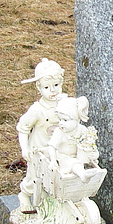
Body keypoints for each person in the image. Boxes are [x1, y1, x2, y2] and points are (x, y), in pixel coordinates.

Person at [15, 58, 66, 212]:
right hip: (39, 150)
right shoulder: (37, 109)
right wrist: (25, 149)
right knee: (35, 177)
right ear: (39, 88)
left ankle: (54, 202)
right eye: (46, 87)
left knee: (58, 177)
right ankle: (24, 195)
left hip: (59, 149)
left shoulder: (65, 103)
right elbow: (23, 128)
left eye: (56, 85)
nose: (52, 90)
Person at [47, 96, 101, 185]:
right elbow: (52, 146)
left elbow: (90, 146)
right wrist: (53, 160)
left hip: (79, 157)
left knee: (80, 162)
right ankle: (83, 176)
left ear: (77, 120)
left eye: (65, 120)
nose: (61, 123)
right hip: (64, 158)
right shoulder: (59, 132)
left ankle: (83, 174)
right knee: (74, 163)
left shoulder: (83, 130)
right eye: (60, 119)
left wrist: (94, 155)